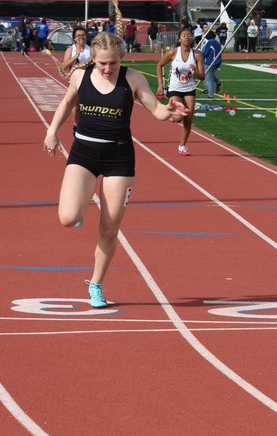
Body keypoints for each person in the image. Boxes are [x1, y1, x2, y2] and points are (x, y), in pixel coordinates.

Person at [43, 32, 190, 308]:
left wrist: (171, 111)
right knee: (67, 217)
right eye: (102, 64)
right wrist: (52, 132)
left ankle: (96, 284)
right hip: (84, 151)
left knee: (109, 229)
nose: (108, 69)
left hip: (119, 157)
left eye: (112, 63)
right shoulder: (80, 77)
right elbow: (66, 104)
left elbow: (155, 109)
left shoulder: (132, 79)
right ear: (93, 60)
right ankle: (79, 206)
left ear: (121, 58)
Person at [156, 25, 205, 155]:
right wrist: (160, 84)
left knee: (188, 118)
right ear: (179, 39)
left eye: (189, 35)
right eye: (184, 35)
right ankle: (173, 116)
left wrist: (195, 74)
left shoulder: (197, 55)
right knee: (178, 118)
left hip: (189, 88)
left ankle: (182, 146)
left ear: (193, 38)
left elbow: (202, 76)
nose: (187, 38)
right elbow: (159, 65)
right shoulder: (173, 52)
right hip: (174, 87)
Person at [201, 26, 223, 98]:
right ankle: (217, 83)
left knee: (208, 80)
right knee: (211, 76)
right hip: (216, 62)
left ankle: (210, 95)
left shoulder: (210, 42)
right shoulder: (216, 42)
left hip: (210, 62)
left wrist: (199, 56)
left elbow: (205, 53)